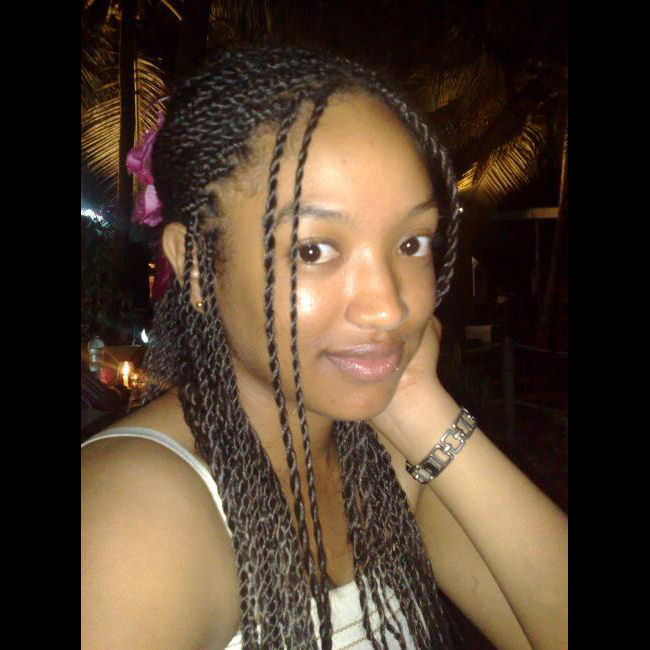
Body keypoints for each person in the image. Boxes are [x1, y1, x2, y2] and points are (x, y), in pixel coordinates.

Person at [81, 47, 567, 649]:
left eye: (412, 243)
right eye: (314, 250)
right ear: (197, 265)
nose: (389, 308)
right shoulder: (128, 520)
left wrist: (421, 408)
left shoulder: (380, 457)